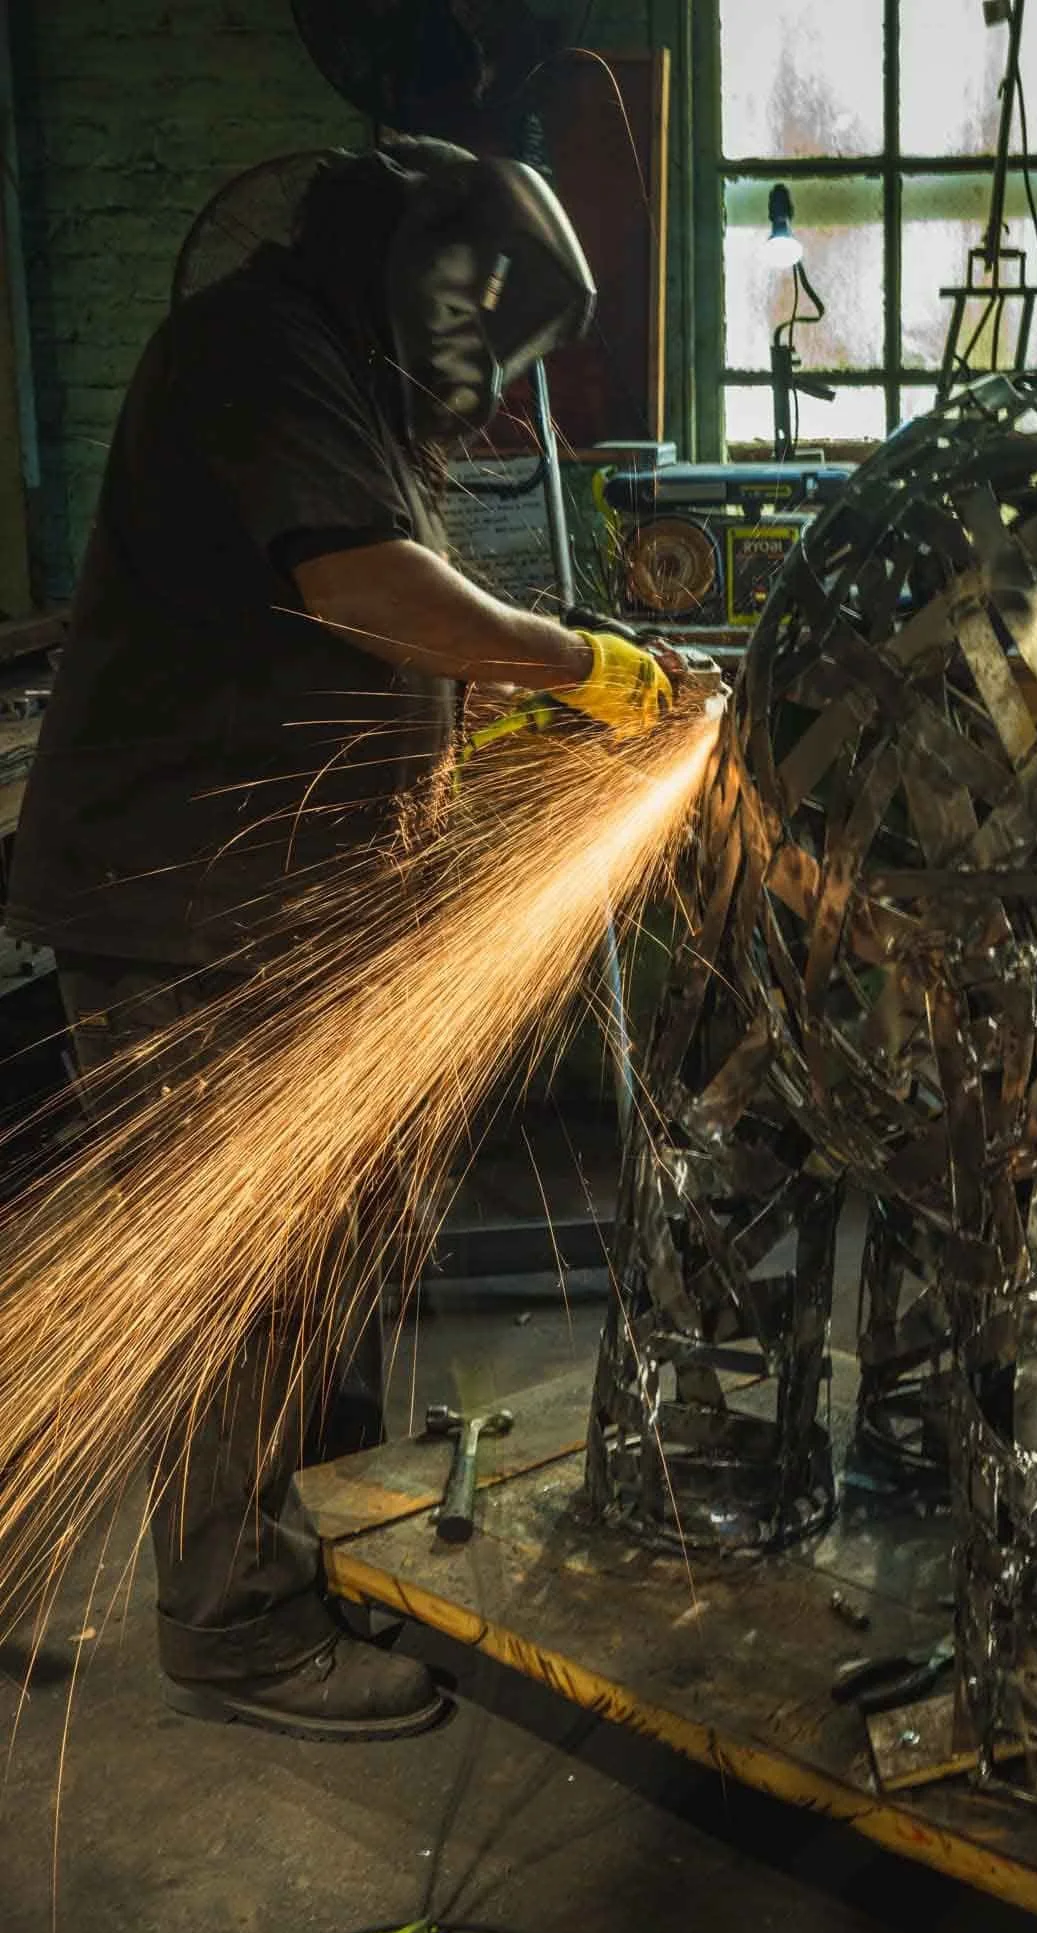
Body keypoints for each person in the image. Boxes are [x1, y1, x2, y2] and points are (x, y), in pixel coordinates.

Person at [4, 137, 676, 1740]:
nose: (495, 392)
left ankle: (333, 1539)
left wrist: (482, 719)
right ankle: (233, 1624)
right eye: (492, 343)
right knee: (239, 1279)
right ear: (432, 276)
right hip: (184, 914)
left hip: (285, 908)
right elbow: (371, 591)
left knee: (322, 1257)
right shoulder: (257, 351)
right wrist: (579, 659)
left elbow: (362, 630)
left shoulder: (343, 370)